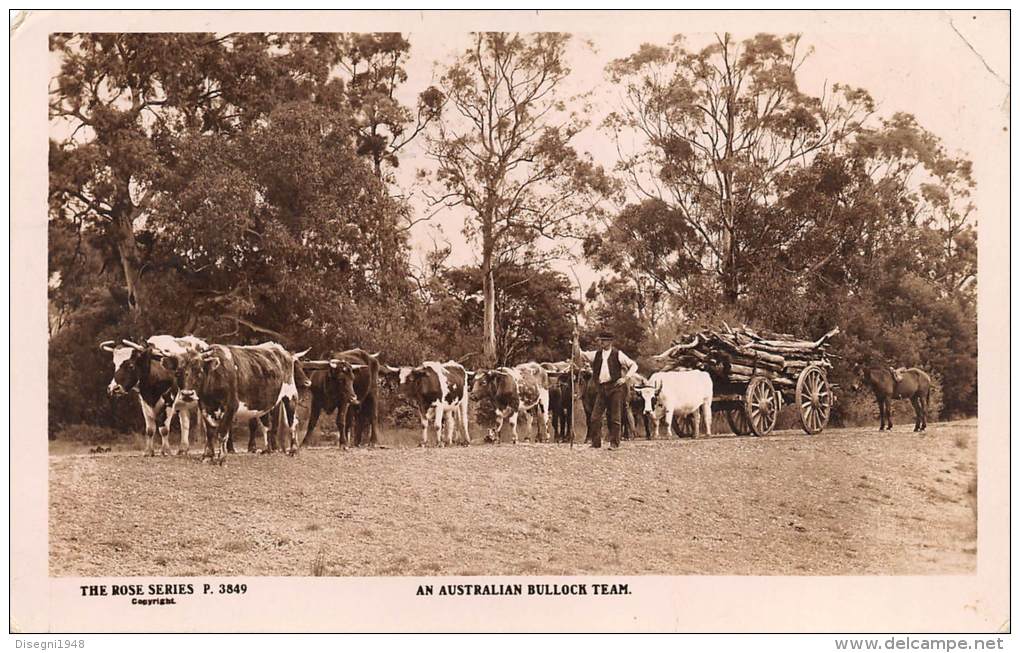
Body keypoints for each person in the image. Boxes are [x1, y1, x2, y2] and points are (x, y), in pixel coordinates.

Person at [576, 331, 639, 449]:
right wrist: (575, 341)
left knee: (615, 417)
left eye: (604, 340)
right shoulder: (596, 354)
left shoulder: (618, 354)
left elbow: (634, 365)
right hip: (601, 388)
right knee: (595, 417)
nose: (602, 342)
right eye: (601, 340)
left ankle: (614, 444)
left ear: (610, 342)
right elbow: (580, 354)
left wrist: (625, 378)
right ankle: (596, 443)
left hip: (615, 388)